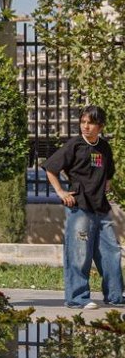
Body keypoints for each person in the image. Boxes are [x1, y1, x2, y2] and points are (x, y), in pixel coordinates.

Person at [45, 105, 122, 309]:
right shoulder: (75, 145)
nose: (85, 126)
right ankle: (77, 298)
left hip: (101, 208)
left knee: (111, 251)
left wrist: (106, 184)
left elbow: (109, 173)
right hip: (79, 207)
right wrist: (61, 192)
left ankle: (115, 296)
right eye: (83, 122)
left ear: (100, 126)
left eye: (91, 123)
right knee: (79, 253)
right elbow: (51, 168)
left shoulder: (104, 147)